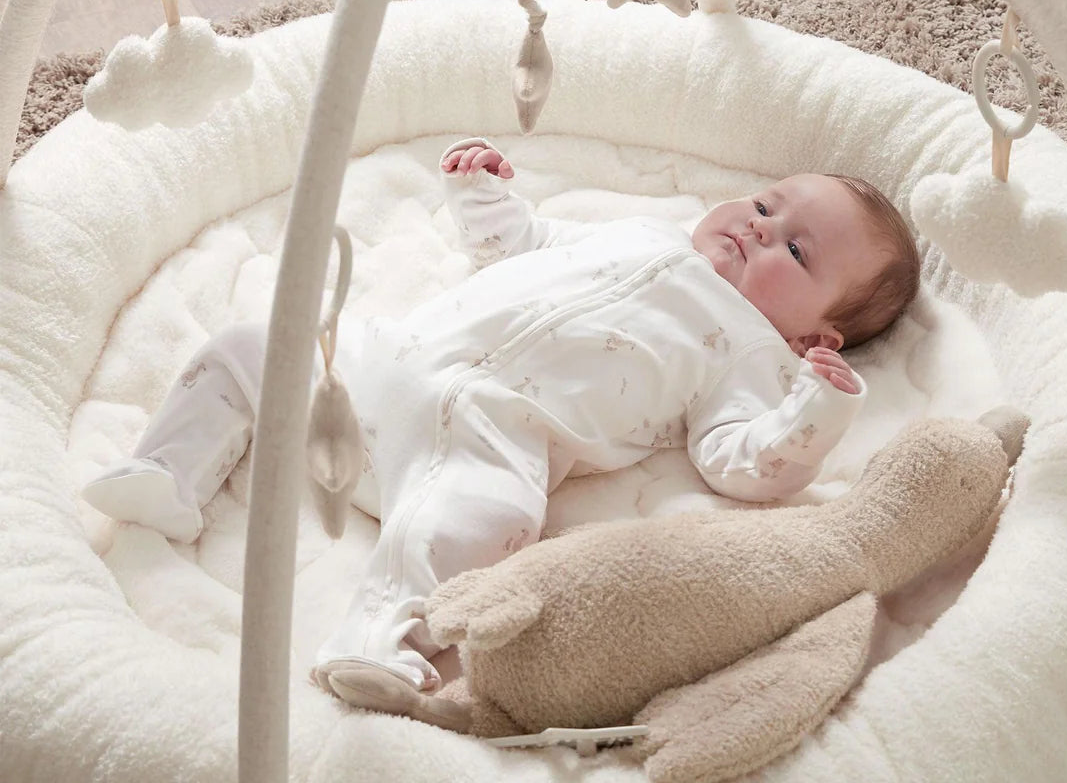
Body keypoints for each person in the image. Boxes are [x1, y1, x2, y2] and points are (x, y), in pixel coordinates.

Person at [81, 136, 920, 726]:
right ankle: (170, 471)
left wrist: (817, 408)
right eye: (768, 204)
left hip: (491, 435)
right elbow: (523, 243)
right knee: (253, 346)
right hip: (387, 365)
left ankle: (378, 634)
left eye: (795, 252)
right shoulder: (643, 233)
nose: (760, 226)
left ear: (814, 335)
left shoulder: (750, 354)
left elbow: (741, 461)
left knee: (485, 519)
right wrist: (482, 192)